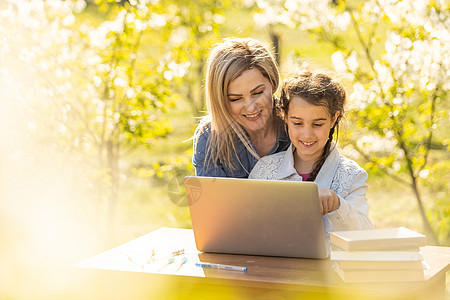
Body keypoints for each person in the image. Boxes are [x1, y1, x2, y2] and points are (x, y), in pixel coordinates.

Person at [249, 70, 373, 233]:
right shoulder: (265, 170)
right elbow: (249, 226)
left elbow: (365, 232)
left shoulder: (352, 176)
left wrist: (337, 204)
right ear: (285, 116)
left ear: (334, 119)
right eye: (298, 123)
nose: (307, 135)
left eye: (317, 124)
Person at [193, 38, 290, 177]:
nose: (250, 108)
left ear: (273, 83)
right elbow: (212, 198)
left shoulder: (297, 124)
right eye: (236, 99)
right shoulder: (209, 136)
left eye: (257, 93)